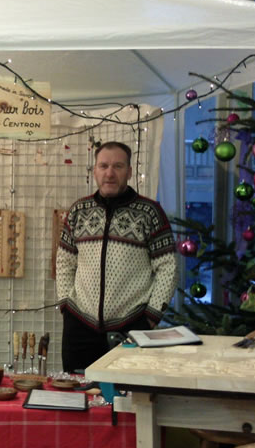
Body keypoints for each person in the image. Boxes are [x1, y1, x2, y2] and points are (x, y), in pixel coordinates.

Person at [56, 141, 178, 373]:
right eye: (103, 166)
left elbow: (168, 268)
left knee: (128, 401)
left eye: (118, 166)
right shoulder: (78, 212)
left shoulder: (150, 213)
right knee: (78, 398)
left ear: (129, 172)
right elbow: (64, 262)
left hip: (132, 326)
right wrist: (66, 306)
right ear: (95, 171)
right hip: (79, 327)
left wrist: (150, 318)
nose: (109, 173)